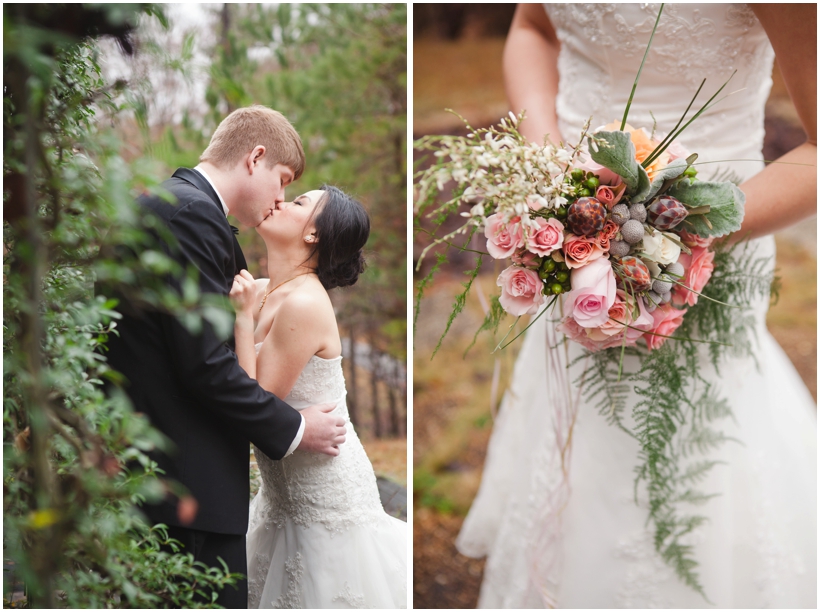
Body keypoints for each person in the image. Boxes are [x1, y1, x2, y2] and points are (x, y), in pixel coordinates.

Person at [456, 4, 816, 608]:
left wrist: (679, 238)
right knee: (581, 448)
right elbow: (533, 29)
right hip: (575, 237)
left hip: (715, 243)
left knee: (692, 462)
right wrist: (553, 182)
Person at [105, 106, 347, 608]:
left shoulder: (172, 205)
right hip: (186, 489)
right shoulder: (192, 215)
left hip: (165, 483)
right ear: (255, 158)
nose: (280, 198)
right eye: (282, 180)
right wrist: (296, 428)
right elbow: (205, 365)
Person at [228, 185, 407, 608]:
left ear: (313, 234)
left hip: (323, 501)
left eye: (299, 202)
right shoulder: (268, 289)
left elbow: (253, 401)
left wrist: (240, 319)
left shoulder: (305, 303)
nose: (281, 201)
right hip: (278, 500)